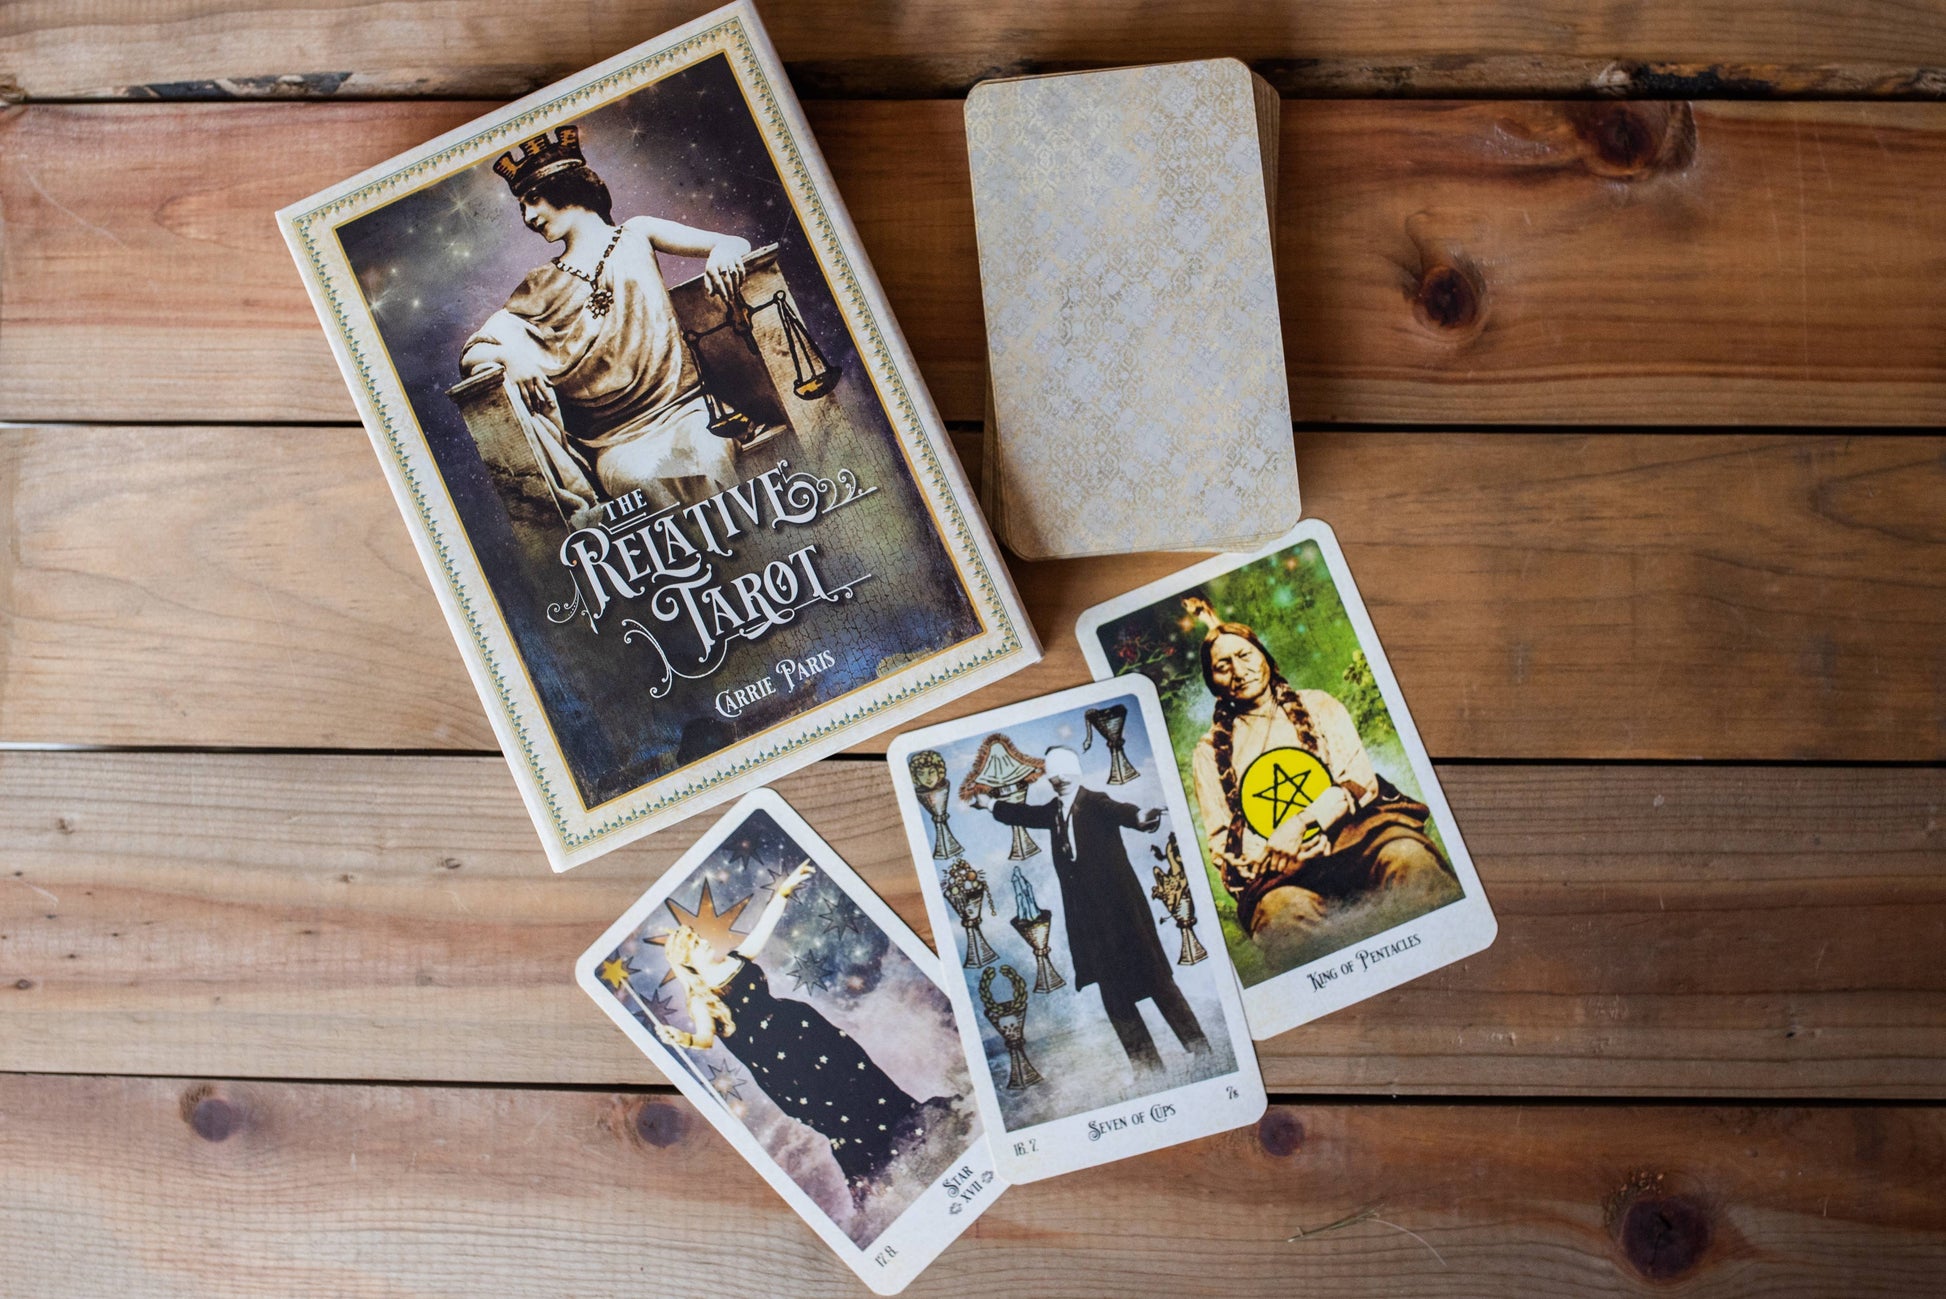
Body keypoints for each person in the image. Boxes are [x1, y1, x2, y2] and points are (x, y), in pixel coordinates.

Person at [460, 124, 752, 516]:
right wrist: (512, 358)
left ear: (564, 187)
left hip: (687, 411)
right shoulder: (540, 285)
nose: (529, 217)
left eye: (533, 200)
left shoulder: (638, 233)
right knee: (647, 477)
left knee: (711, 453)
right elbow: (475, 352)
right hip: (617, 442)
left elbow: (733, 243)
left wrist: (723, 252)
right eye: (522, 208)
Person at [656, 862, 951, 1205]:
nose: (703, 942)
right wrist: (682, 1038)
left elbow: (763, 928)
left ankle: (911, 1128)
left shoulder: (737, 958)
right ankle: (878, 1170)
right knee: (834, 1107)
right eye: (694, 943)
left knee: (860, 1077)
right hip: (785, 1066)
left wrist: (782, 893)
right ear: (687, 960)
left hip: (810, 1034)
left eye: (697, 936)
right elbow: (705, 1038)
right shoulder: (702, 998)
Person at [1188, 616, 1460, 948]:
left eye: (1245, 656)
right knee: (1282, 919)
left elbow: (1360, 780)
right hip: (1280, 868)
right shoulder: (1208, 753)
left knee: (1409, 860)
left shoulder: (1318, 705)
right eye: (1223, 666)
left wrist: (1304, 823)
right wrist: (1281, 853)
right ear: (1213, 682)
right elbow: (1224, 846)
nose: (1239, 671)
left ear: (1264, 656)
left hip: (1357, 837)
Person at [973, 747, 1210, 1074]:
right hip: (1090, 923)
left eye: (1065, 771)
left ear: (1077, 771)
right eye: (1054, 774)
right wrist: (989, 804)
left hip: (1124, 915)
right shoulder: (1053, 811)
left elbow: (1123, 812)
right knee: (1112, 992)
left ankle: (1200, 1049)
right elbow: (1023, 814)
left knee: (1157, 980)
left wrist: (1142, 817)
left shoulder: (1096, 802)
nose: (1060, 778)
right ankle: (1148, 1068)